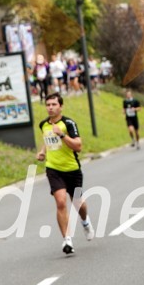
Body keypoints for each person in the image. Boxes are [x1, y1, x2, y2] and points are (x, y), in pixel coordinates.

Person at [36, 93, 95, 255]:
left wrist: (62, 135)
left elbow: (78, 146)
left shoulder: (68, 123)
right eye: (48, 104)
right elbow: (47, 140)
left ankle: (85, 221)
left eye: (54, 104)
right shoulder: (43, 125)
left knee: (78, 203)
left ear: (60, 106)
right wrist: (42, 152)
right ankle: (67, 239)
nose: (50, 107)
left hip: (72, 169)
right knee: (61, 202)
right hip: (53, 169)